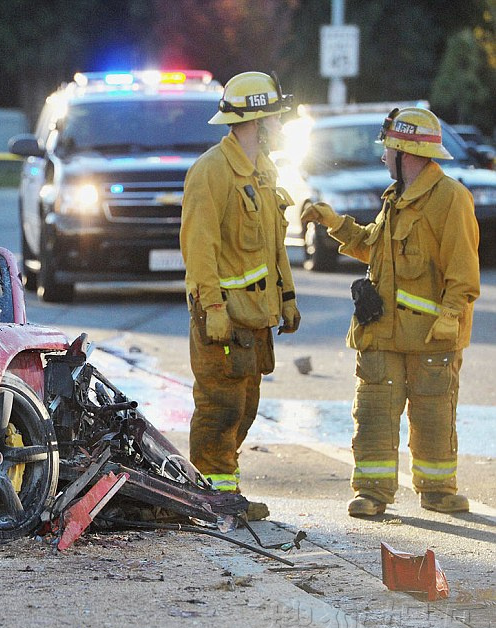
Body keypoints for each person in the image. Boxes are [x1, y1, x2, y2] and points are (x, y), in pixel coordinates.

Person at [301, 107, 480, 517]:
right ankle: (372, 492)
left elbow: (463, 271)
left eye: (389, 150)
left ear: (407, 153)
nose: (383, 156)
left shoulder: (450, 199)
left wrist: (450, 315)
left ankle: (437, 490)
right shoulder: (395, 198)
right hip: (382, 332)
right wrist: (335, 223)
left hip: (431, 336)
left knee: (433, 414)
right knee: (374, 412)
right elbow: (374, 248)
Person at [179, 71, 300, 522]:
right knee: (220, 410)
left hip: (254, 319)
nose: (281, 126)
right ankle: (212, 501)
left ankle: (221, 494)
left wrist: (287, 297)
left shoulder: (263, 172)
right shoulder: (211, 172)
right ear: (256, 122)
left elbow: (273, 245)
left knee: (245, 408)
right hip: (224, 320)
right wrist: (212, 307)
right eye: (276, 118)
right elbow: (200, 248)